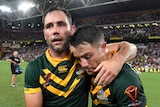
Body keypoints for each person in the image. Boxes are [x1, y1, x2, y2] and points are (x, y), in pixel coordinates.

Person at [24, 7, 137, 107]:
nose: (55, 31)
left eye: (61, 24)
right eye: (49, 26)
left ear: (73, 29)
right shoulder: (35, 68)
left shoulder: (85, 54)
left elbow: (129, 47)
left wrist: (117, 61)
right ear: (44, 34)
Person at [70, 26, 147, 107]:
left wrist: (117, 61)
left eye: (88, 56)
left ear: (103, 47)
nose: (83, 64)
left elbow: (130, 47)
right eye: (78, 58)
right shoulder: (93, 66)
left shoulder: (125, 81)